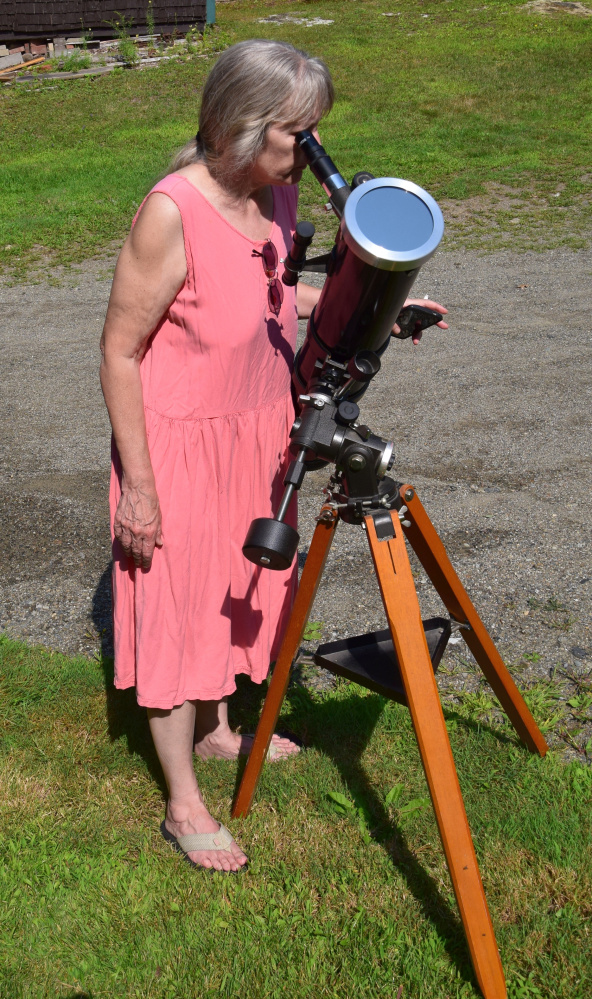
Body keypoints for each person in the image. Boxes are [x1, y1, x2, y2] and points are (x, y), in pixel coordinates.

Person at [100, 39, 448, 873]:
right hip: (181, 444)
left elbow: (263, 290)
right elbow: (118, 349)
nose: (314, 149)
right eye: (300, 132)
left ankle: (220, 729)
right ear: (243, 127)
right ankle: (183, 803)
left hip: (255, 427)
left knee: (237, 585)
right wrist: (139, 489)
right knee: (179, 611)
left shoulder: (277, 198)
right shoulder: (171, 210)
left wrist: (369, 301)